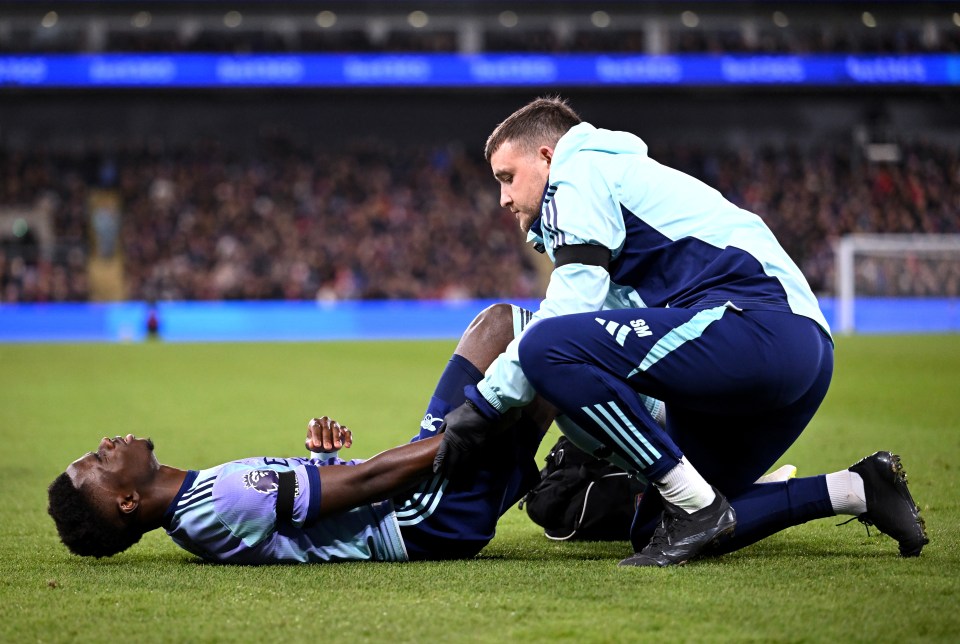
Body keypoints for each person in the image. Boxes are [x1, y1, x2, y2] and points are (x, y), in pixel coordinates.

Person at [433, 96, 928, 566]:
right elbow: (622, 345)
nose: (502, 198)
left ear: (547, 156)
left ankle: (699, 506)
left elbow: (565, 320)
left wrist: (484, 405)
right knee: (654, 528)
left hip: (758, 328)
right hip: (797, 355)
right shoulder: (618, 191)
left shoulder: (577, 171)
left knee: (546, 345)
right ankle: (858, 489)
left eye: (507, 177)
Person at [47, 304, 554, 563]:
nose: (107, 443)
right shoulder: (222, 499)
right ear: (128, 502)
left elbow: (307, 526)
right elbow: (367, 484)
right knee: (500, 327)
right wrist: (473, 421)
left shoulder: (196, 512)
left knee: (545, 387)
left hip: (421, 520)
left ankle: (608, 440)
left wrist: (321, 464)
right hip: (420, 516)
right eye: (100, 459)